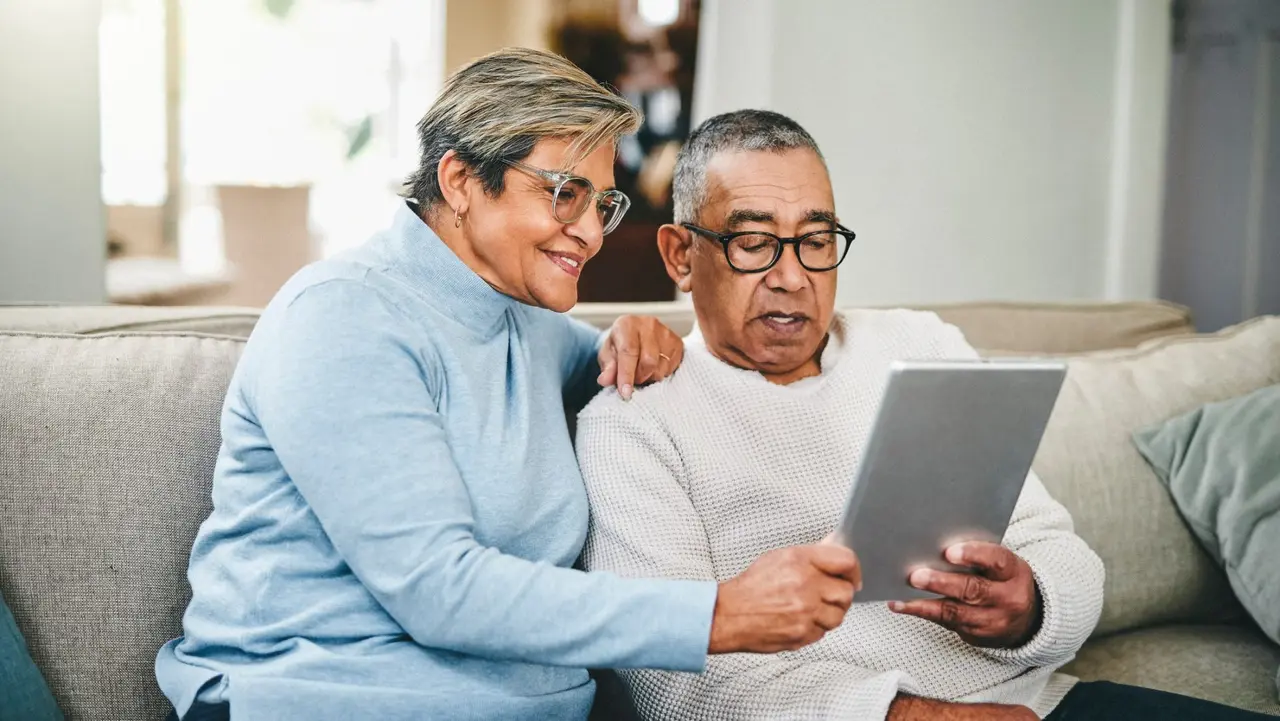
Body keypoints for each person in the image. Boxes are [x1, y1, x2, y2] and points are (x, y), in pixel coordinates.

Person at [155, 52, 862, 721]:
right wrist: (717, 614)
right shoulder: (343, 316)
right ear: (461, 181)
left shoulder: (528, 325)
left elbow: (625, 367)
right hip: (328, 697)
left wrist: (632, 337)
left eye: (603, 204)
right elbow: (438, 589)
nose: (590, 233)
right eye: (565, 195)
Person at [576, 109, 1274, 721]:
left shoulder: (919, 344)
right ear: (681, 255)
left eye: (817, 240)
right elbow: (671, 684)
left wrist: (1030, 606)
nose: (792, 276)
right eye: (754, 242)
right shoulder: (635, 417)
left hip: (1038, 704)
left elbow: (1061, 552)